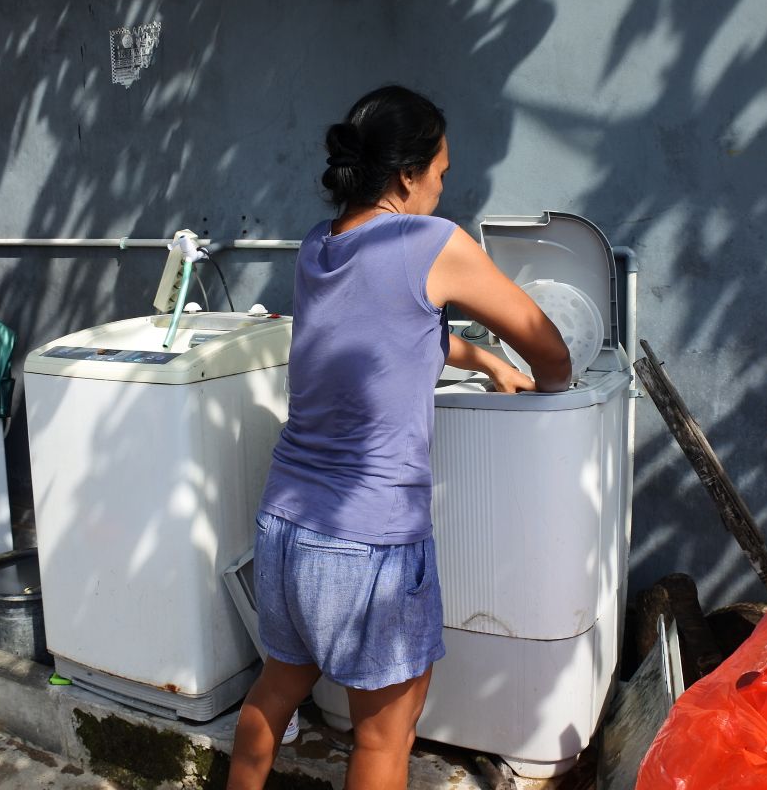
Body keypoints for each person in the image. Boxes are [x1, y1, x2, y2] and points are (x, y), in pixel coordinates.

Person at [227, 85, 571, 790]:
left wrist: (485, 361)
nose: (443, 190)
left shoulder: (319, 247)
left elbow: (396, 333)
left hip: (286, 527)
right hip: (369, 543)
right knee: (384, 742)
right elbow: (554, 350)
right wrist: (547, 378)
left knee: (273, 694)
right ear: (408, 174)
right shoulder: (429, 241)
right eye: (441, 174)